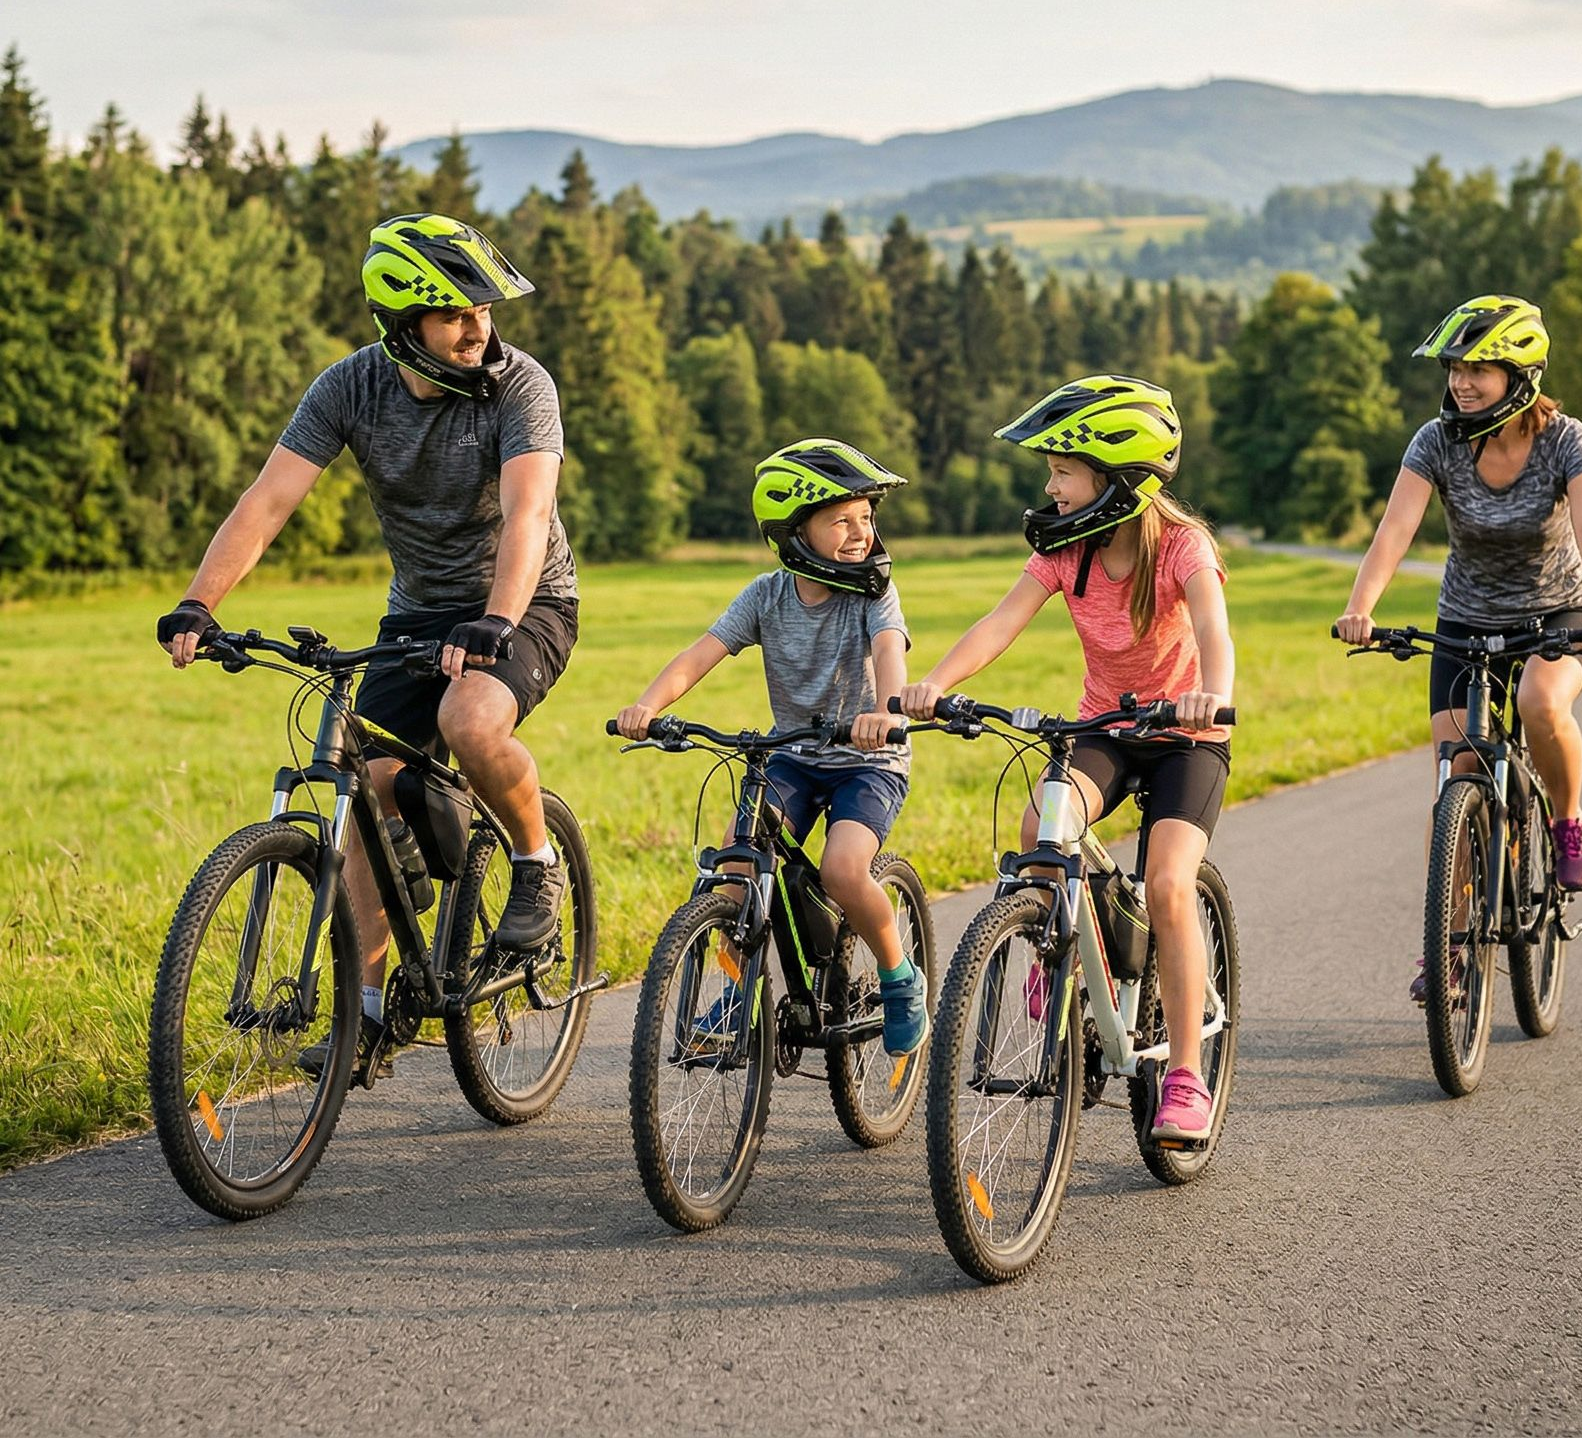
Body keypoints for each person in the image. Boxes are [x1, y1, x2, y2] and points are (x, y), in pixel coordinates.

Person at [156, 213, 580, 1070]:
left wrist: (497, 618)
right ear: (401, 325)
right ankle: (375, 1012)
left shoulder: (519, 386)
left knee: (468, 721)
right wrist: (199, 604)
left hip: (527, 598)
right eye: (457, 313)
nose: (479, 328)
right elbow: (269, 502)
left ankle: (537, 863)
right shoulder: (349, 388)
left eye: (484, 310)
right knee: (366, 786)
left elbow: (528, 514)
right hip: (418, 612)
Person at [899, 376, 1235, 1142]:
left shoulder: (1184, 546)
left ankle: (1184, 1074)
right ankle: (1061, 953)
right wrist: (935, 684)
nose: (1049, 487)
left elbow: (1214, 629)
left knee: (1169, 883)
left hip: (1188, 736)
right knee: (1039, 831)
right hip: (1106, 730)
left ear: (1116, 480)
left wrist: (1213, 694)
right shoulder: (1066, 550)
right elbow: (1000, 621)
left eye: (1062, 471)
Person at [1332, 295, 1582, 1002]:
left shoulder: (1567, 441)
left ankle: (1566, 820)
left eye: (1480, 370)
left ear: (1521, 374)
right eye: (1457, 368)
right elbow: (1395, 529)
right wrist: (1360, 609)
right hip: (1465, 618)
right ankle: (1450, 950)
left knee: (1539, 701)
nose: (1462, 382)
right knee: (1457, 773)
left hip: (1560, 614)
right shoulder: (1436, 441)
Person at [613, 439, 928, 1056]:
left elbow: (890, 651)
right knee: (736, 865)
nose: (861, 532)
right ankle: (738, 993)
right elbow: (701, 653)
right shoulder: (765, 596)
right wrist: (650, 706)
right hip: (794, 756)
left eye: (867, 517)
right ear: (794, 530)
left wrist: (885, 712)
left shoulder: (873, 593)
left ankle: (898, 977)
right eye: (841, 519)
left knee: (842, 870)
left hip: (868, 761)